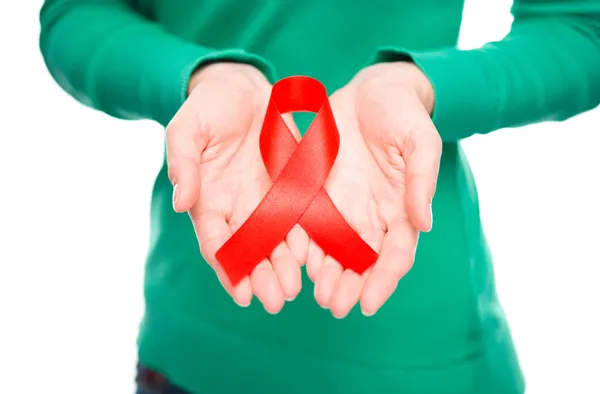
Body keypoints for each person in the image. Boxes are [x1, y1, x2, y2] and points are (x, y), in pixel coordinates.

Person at [39, 0, 600, 393]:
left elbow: (580, 29)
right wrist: (201, 76)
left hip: (416, 356)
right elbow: (77, 11)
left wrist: (421, 85)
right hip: (189, 342)